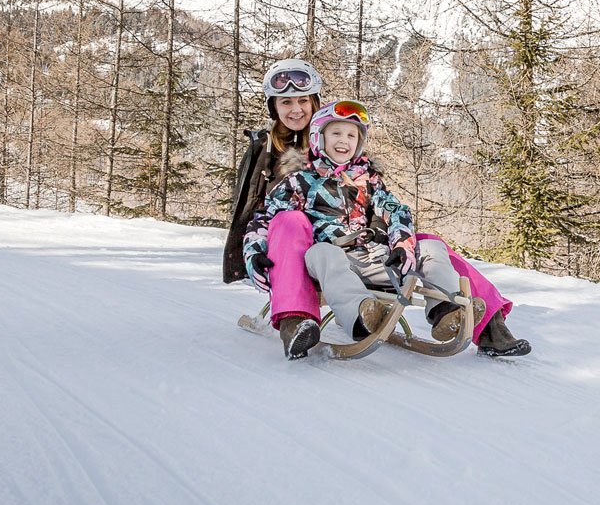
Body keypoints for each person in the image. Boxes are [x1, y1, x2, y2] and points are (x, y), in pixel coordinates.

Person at [224, 60, 531, 359]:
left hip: (363, 245)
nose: (295, 109)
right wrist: (254, 252)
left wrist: (389, 233)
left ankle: (479, 320)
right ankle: (297, 320)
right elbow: (257, 213)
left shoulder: (345, 142)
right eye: (285, 102)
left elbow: (378, 201)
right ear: (274, 107)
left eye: (303, 100)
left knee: (429, 245)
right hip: (300, 250)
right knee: (292, 223)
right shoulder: (268, 153)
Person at [242, 101, 475, 356]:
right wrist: (255, 252)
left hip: (374, 257)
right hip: (331, 261)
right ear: (319, 138)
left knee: (431, 247)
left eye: (352, 135)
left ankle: (447, 311)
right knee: (322, 252)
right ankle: (361, 316)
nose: (345, 140)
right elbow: (265, 219)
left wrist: (401, 244)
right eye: (337, 133)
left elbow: (397, 211)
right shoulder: (299, 180)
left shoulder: (370, 180)